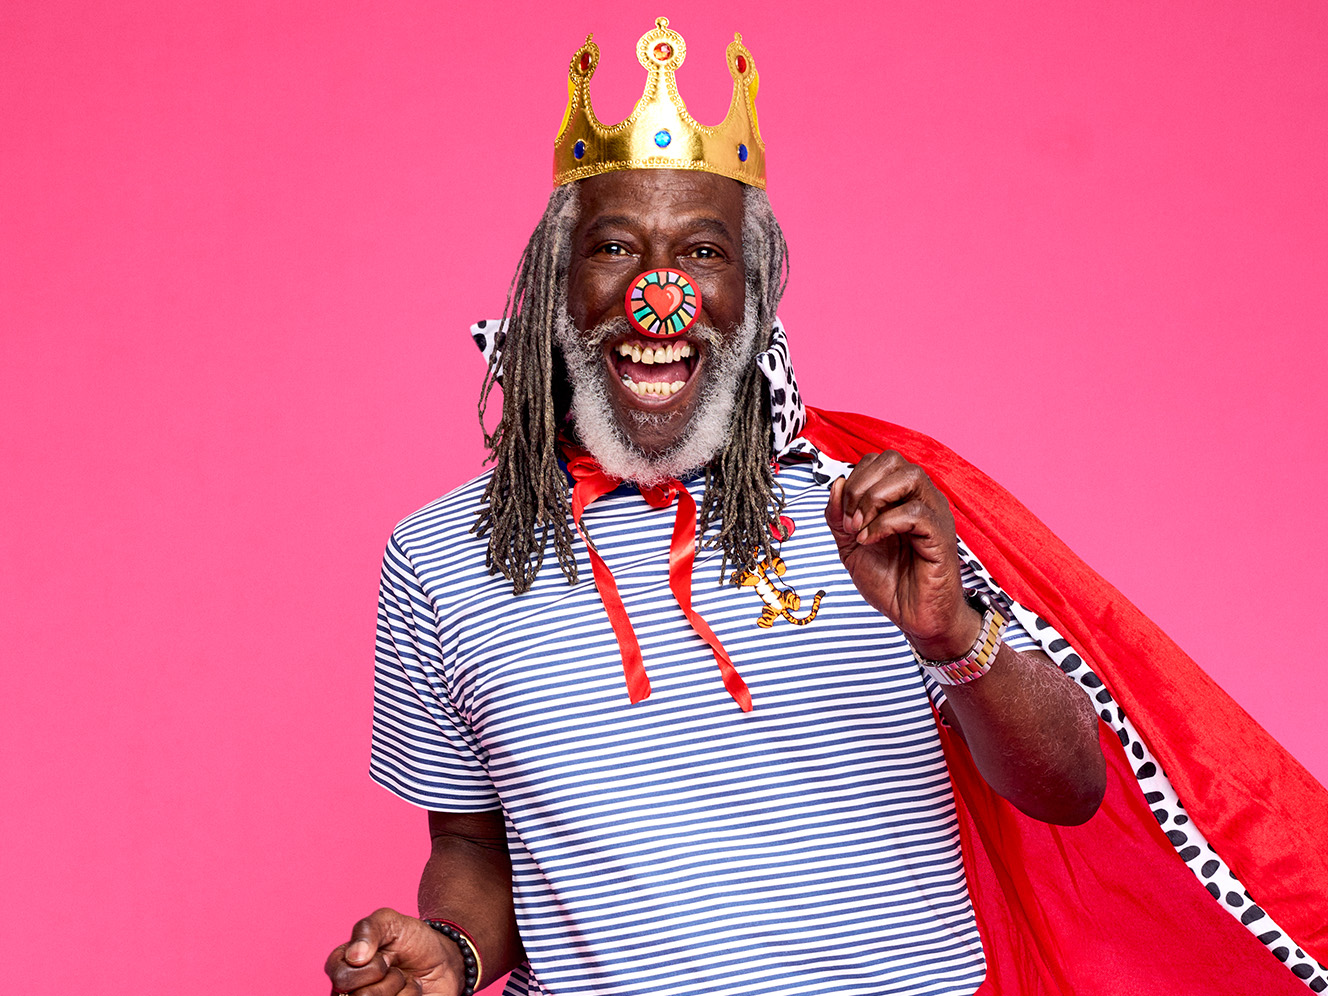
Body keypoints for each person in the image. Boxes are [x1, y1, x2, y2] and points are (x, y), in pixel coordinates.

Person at [326, 19, 1328, 996]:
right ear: (556, 285)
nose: (658, 292)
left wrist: (952, 635)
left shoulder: (876, 507)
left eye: (704, 253)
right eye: (615, 247)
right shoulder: (438, 555)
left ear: (754, 291)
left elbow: (1069, 788)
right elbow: (470, 842)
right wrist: (452, 951)